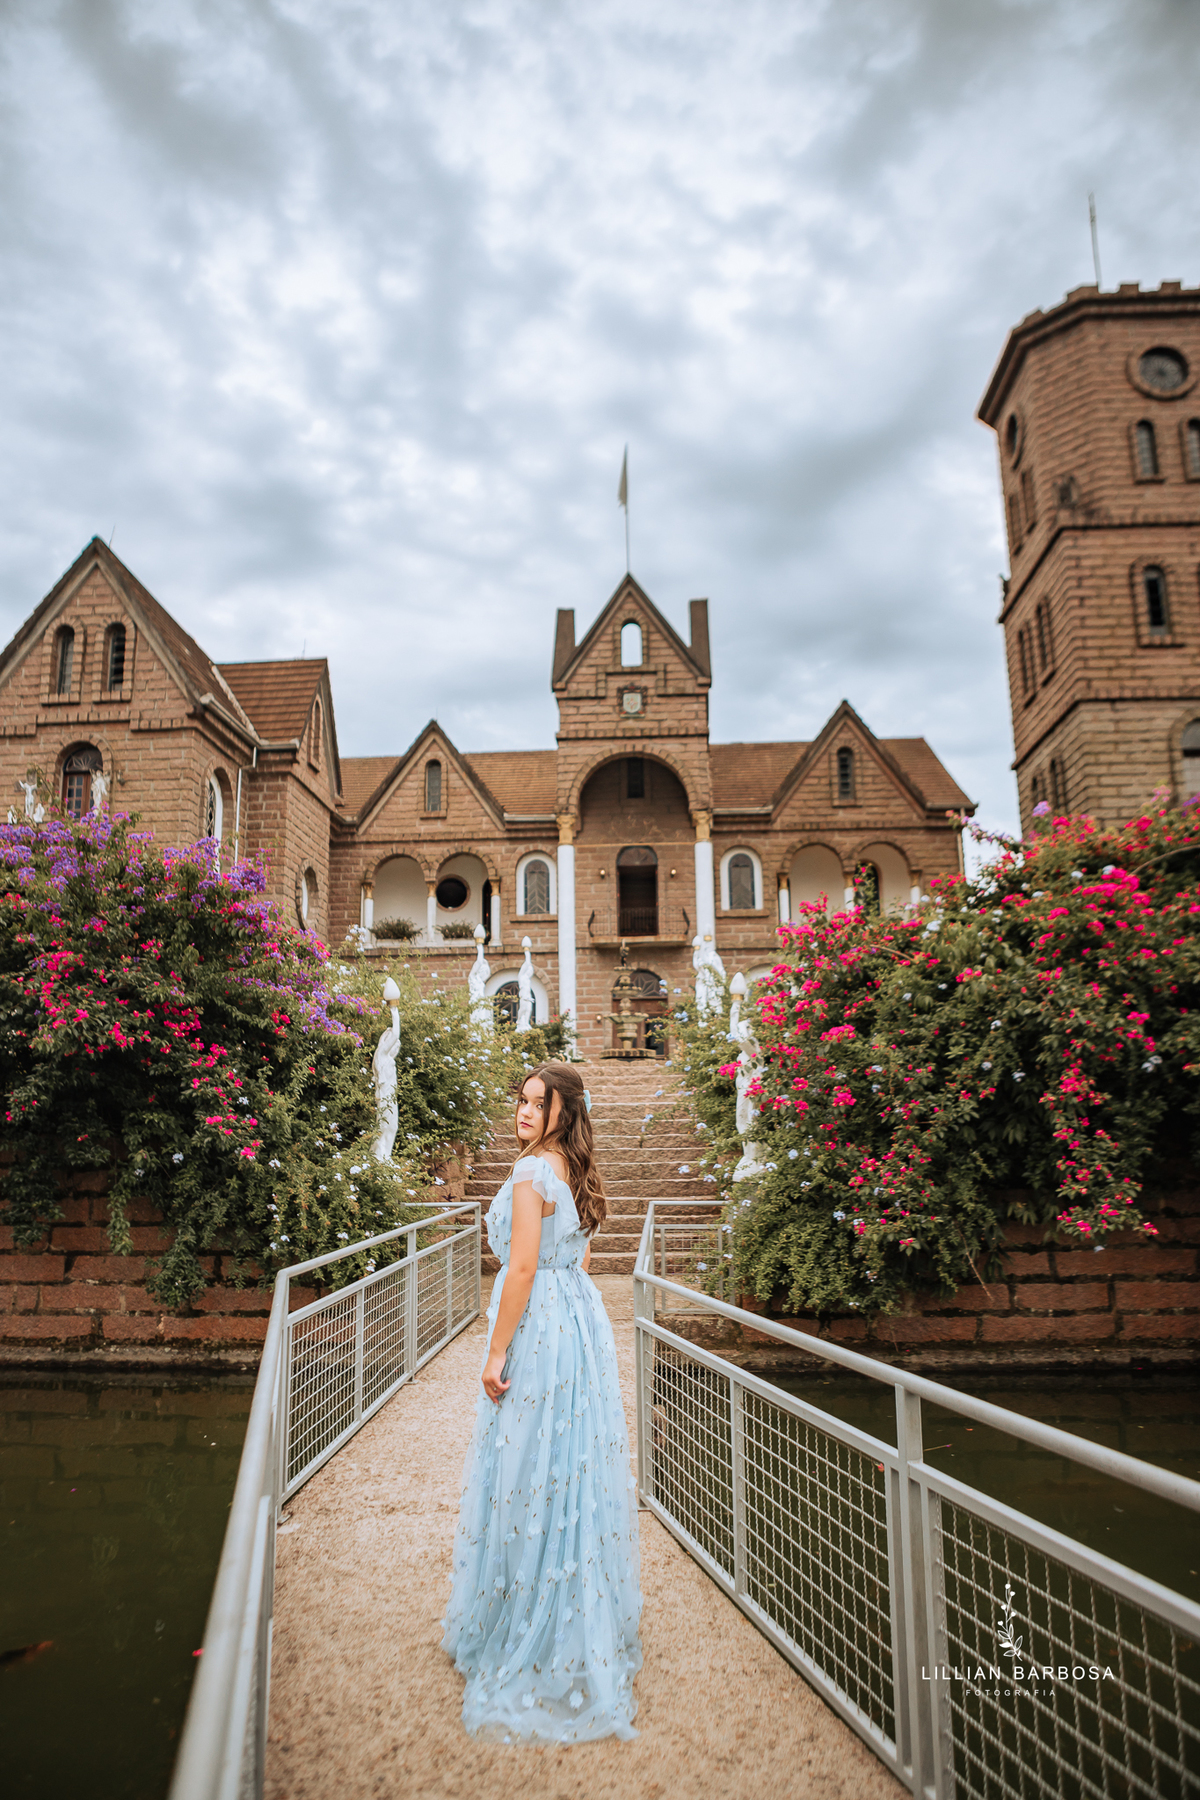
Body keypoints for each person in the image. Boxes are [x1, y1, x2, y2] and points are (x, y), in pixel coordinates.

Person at [442, 1061, 642, 1742]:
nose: (524, 1112)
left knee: (528, 1466)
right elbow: (577, 1258)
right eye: (521, 1100)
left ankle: (532, 1619)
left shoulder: (532, 1176)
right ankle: (571, 1612)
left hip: (539, 1325)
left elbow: (520, 1268)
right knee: (568, 1462)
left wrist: (497, 1350)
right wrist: (567, 1310)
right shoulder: (572, 1171)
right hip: (577, 1325)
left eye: (538, 1103)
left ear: (564, 1111)